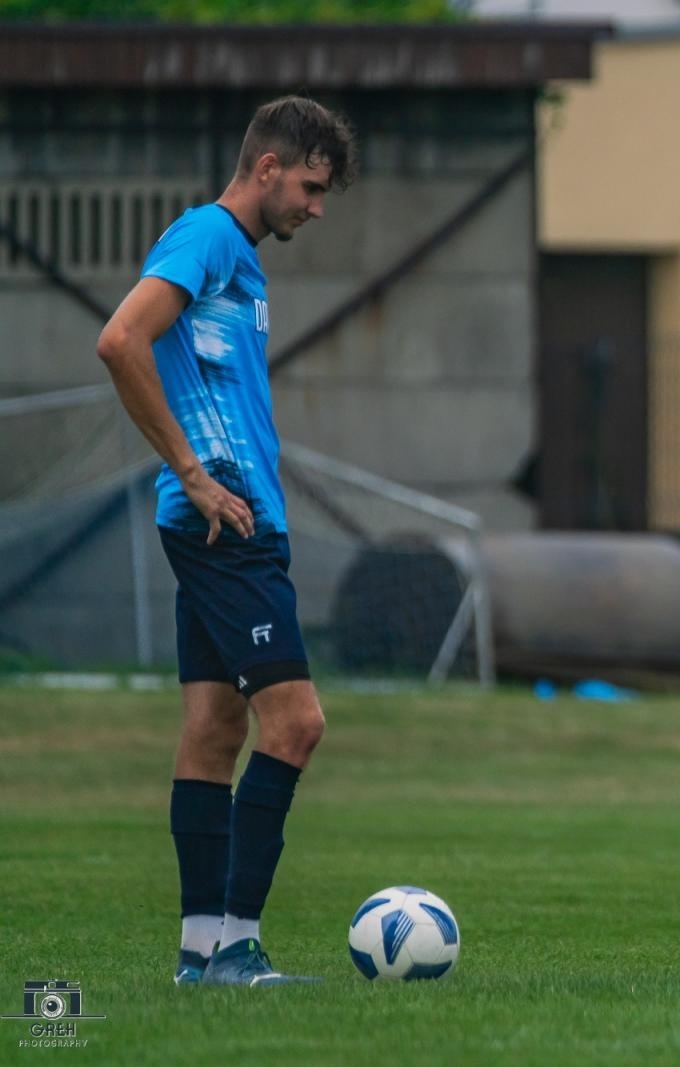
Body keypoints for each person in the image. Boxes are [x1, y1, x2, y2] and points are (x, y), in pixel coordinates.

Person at [96, 96, 357, 987]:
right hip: (224, 523)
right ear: (268, 166)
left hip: (238, 522)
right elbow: (120, 340)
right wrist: (194, 472)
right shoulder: (207, 237)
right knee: (298, 725)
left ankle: (200, 952)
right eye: (312, 187)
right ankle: (241, 944)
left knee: (213, 730)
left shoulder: (240, 263)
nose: (316, 208)